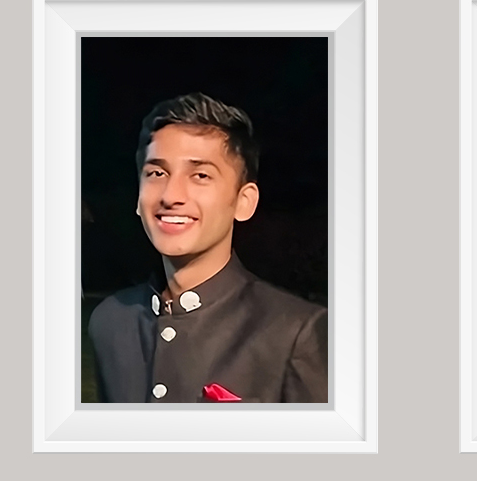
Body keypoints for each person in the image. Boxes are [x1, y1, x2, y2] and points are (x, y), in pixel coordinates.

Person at [89, 93, 328, 403]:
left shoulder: (295, 333)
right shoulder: (110, 322)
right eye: (157, 173)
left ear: (244, 202)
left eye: (200, 175)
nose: (171, 195)